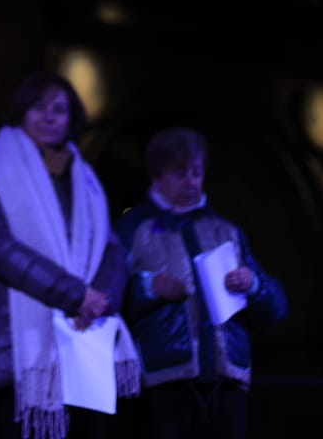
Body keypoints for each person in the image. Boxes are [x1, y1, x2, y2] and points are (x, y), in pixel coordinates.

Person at [0, 71, 141, 439]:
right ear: (20, 112)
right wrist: (75, 295)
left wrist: (98, 302)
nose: (48, 116)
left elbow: (109, 247)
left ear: (71, 119)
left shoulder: (84, 174)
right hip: (21, 340)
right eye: (38, 107)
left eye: (59, 109)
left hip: (83, 336)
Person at [114, 127, 287, 439]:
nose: (191, 182)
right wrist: (150, 288)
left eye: (197, 172)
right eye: (180, 173)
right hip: (165, 377)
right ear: (156, 177)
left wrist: (254, 286)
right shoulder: (132, 229)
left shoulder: (226, 230)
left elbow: (277, 308)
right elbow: (111, 296)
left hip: (227, 378)